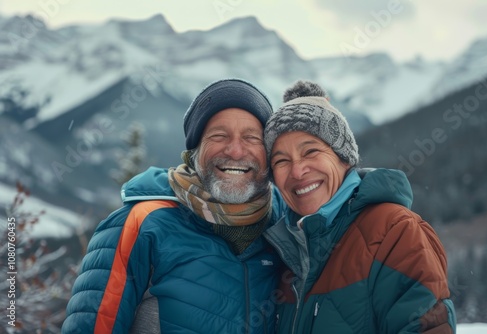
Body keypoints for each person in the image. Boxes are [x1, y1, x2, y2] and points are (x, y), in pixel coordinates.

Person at [62, 78, 284, 334]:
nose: (235, 151)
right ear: (194, 152)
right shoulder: (142, 223)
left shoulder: (287, 225)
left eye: (252, 137)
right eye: (219, 135)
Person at [262, 80, 456, 333]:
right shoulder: (287, 249)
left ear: (344, 157)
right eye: (281, 161)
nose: (298, 171)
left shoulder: (395, 232)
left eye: (310, 152)